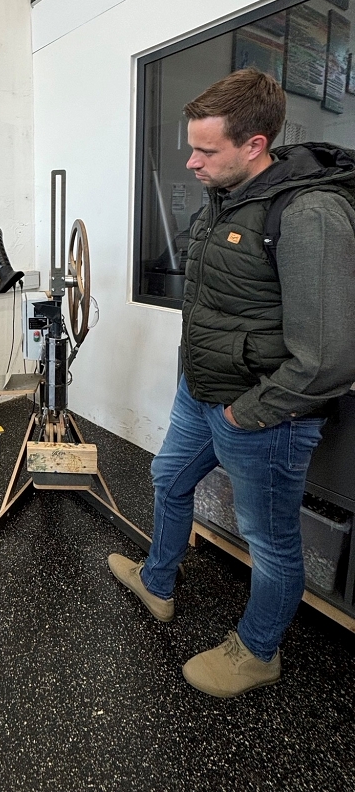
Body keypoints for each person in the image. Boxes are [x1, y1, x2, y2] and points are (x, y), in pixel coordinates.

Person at [108, 68, 355, 698]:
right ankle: (157, 582)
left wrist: (248, 413)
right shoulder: (227, 195)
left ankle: (257, 652)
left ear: (255, 145)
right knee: (168, 479)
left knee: (268, 541)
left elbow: (328, 358)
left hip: (262, 413)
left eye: (206, 150)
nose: (191, 162)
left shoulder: (310, 213)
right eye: (191, 147)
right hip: (202, 391)